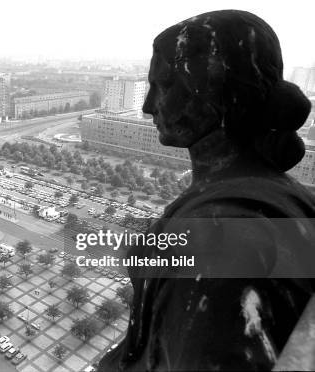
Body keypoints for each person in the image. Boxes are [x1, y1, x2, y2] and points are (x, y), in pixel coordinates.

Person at [98, 10, 315, 371]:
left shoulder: (217, 236)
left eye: (164, 85)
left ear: (213, 93)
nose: (148, 106)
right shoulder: (282, 195)